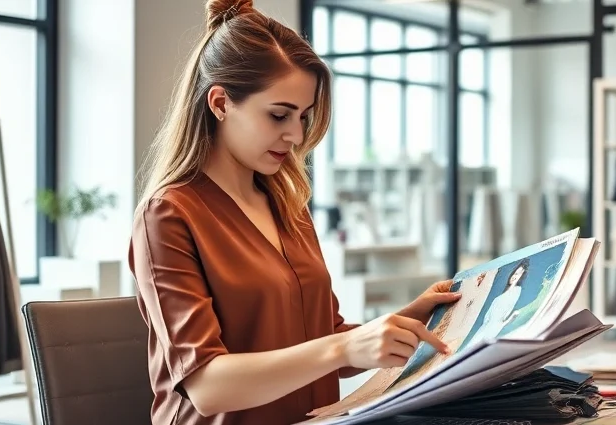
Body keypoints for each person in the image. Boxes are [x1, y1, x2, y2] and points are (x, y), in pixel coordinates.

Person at [127, 1, 460, 423]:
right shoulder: (168, 216)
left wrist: (408, 319)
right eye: (279, 115)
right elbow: (207, 385)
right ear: (220, 103)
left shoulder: (288, 207)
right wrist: (342, 348)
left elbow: (322, 343)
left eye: (304, 116)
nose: (296, 134)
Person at [475, 259, 530, 342]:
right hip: (485, 328)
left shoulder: (516, 291)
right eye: (515, 273)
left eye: (519, 275)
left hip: (492, 329)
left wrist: (507, 321)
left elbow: (507, 311)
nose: (515, 277)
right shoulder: (505, 294)